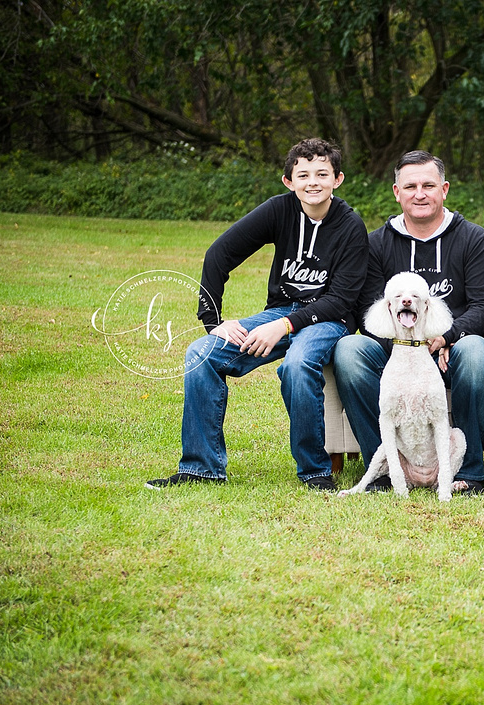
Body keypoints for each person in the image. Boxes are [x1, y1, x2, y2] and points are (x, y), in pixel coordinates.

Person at [147, 138, 368, 492]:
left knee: (298, 364)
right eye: (304, 174)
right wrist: (214, 322)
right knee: (201, 353)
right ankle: (202, 468)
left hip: (329, 320)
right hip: (282, 310)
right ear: (289, 181)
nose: (313, 182)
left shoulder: (351, 227)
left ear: (337, 180)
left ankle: (315, 472)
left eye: (322, 174)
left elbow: (342, 299)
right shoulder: (278, 210)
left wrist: (282, 327)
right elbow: (218, 254)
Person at [333, 151, 484, 494]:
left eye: (428, 185)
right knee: (349, 350)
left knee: (476, 351)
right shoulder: (377, 243)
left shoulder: (473, 238)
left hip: (451, 350)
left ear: (445, 189)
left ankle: (467, 472)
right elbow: (370, 309)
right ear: (396, 192)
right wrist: (407, 346)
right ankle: (381, 468)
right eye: (410, 186)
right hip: (395, 351)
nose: (419, 193)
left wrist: (444, 337)